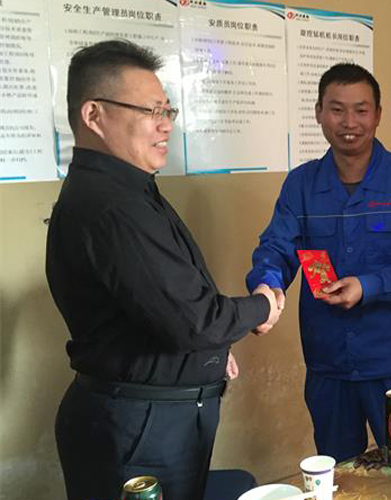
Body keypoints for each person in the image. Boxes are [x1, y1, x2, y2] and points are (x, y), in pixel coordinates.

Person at [46, 39, 282, 500]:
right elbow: (196, 320)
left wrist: (208, 354)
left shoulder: (129, 189)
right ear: (94, 115)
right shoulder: (111, 205)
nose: (165, 125)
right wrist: (263, 306)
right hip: (139, 429)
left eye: (167, 111)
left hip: (155, 416)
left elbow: (161, 304)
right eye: (150, 111)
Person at [246, 63, 391, 463]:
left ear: (378, 114)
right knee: (338, 473)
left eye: (361, 109)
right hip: (329, 363)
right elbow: (277, 246)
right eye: (337, 109)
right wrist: (266, 285)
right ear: (319, 112)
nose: (349, 122)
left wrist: (368, 285)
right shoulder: (301, 184)